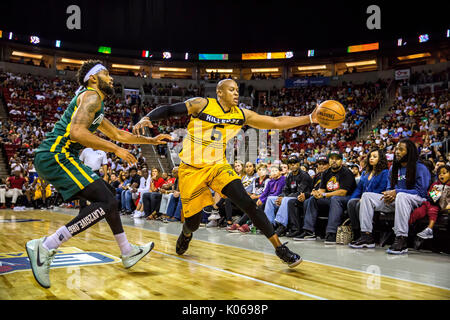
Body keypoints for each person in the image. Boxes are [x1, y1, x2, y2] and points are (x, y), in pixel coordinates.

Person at [132, 78, 322, 268]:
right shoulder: (202, 104)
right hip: (191, 169)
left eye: (237, 90)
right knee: (193, 223)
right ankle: (187, 233)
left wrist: (309, 118)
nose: (236, 93)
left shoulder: (241, 114)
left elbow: (276, 121)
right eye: (231, 90)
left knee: (249, 203)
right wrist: (148, 117)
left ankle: (280, 249)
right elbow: (171, 109)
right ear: (219, 92)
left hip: (217, 166)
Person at [25, 60, 172, 288]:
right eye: (106, 73)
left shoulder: (94, 103)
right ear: (93, 78)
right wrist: (114, 149)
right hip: (56, 155)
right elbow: (77, 133)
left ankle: (127, 251)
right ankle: (45, 247)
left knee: (109, 200)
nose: (111, 78)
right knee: (106, 201)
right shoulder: (91, 96)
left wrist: (150, 140)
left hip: (60, 156)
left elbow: (119, 134)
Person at [357, 139, 431, 255]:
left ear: (409, 152)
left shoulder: (420, 168)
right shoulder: (393, 168)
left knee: (401, 195)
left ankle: (401, 239)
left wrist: (396, 192)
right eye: (396, 149)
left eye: (401, 149)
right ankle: (366, 236)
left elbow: (421, 192)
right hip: (398, 200)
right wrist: (388, 195)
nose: (397, 152)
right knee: (366, 196)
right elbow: (389, 188)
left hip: (417, 200)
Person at [296, 150, 357, 244]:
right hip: (330, 198)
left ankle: (331, 233)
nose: (334, 161)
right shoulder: (326, 173)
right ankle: (309, 231)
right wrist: (317, 193)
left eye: (337, 159)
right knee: (313, 199)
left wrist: (324, 195)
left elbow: (343, 192)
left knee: (335, 199)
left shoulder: (346, 172)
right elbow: (322, 190)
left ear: (342, 161)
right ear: (329, 160)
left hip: (347, 199)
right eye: (332, 158)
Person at [348, 148, 389, 248]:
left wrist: (364, 197)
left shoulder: (385, 172)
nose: (371, 158)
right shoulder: (364, 173)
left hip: (376, 198)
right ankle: (357, 232)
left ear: (380, 159)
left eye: (375, 157)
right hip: (364, 197)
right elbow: (359, 189)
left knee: (359, 204)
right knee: (351, 203)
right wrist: (353, 198)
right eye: (370, 156)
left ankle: (366, 234)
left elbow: (381, 189)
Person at [264, 155, 313, 237]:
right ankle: (270, 225)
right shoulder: (289, 176)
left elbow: (300, 192)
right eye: (290, 163)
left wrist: (283, 198)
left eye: (295, 163)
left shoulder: (304, 175)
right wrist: (281, 196)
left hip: (302, 199)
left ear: (298, 164)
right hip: (289, 197)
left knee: (286, 200)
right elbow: (285, 190)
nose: (292, 165)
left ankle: (282, 226)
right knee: (270, 199)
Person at [289, 156, 329, 238]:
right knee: (292, 202)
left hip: (324, 198)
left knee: (309, 201)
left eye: (324, 164)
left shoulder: (329, 175)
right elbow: (310, 190)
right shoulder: (317, 176)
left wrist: (309, 195)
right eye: (319, 164)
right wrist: (304, 195)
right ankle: (297, 229)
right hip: (313, 197)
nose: (321, 166)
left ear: (329, 165)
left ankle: (309, 231)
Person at [409, 164, 450, 240]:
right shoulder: (435, 184)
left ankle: (429, 229)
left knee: (433, 209)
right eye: (439, 174)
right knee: (418, 211)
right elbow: (432, 199)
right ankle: (404, 225)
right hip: (430, 204)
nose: (441, 175)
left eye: (444, 173)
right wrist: (434, 193)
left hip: (442, 207)